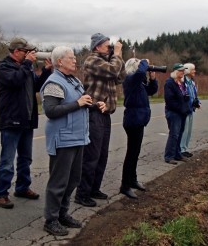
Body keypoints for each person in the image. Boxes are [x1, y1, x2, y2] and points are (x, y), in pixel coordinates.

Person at [40, 46, 106, 236]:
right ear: (59, 61)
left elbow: (81, 103)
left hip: (78, 137)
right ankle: (51, 220)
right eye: (71, 58)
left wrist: (94, 105)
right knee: (59, 182)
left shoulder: (74, 80)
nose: (75, 60)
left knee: (73, 180)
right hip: (63, 139)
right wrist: (78, 103)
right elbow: (51, 111)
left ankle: (62, 214)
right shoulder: (54, 82)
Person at [0, 38, 52, 209]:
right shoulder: (5, 67)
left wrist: (46, 71)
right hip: (11, 120)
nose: (28, 54)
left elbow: (36, 86)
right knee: (7, 160)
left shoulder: (26, 67)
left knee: (25, 158)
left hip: (27, 119)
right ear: (16, 51)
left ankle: (22, 187)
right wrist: (27, 64)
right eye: (25, 51)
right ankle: (1, 193)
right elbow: (15, 81)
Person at [75, 33, 126, 207]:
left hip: (106, 114)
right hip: (93, 112)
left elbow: (120, 76)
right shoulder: (92, 61)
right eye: (106, 46)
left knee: (102, 155)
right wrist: (117, 55)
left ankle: (94, 188)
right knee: (91, 156)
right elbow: (113, 70)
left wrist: (117, 56)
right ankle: (82, 193)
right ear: (97, 47)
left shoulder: (110, 61)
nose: (110, 48)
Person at [120, 58, 158, 199]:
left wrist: (153, 78)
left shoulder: (138, 82)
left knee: (135, 153)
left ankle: (133, 180)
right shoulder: (129, 79)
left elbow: (151, 90)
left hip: (139, 120)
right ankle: (125, 186)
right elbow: (141, 71)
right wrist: (144, 62)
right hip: (133, 120)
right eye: (139, 65)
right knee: (131, 154)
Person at [164, 63, 190, 164]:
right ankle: (169, 156)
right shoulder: (169, 83)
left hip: (182, 112)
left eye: (183, 70)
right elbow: (170, 100)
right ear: (175, 72)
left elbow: (184, 96)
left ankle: (177, 154)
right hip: (174, 112)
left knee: (180, 133)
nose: (183, 72)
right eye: (181, 70)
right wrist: (181, 108)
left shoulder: (182, 82)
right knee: (174, 134)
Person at [180, 63, 201, 157]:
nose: (194, 71)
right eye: (193, 70)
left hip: (191, 109)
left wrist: (197, 102)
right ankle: (181, 149)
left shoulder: (192, 82)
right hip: (185, 110)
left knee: (189, 130)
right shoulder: (182, 82)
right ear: (188, 71)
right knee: (184, 130)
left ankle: (185, 148)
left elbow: (194, 94)